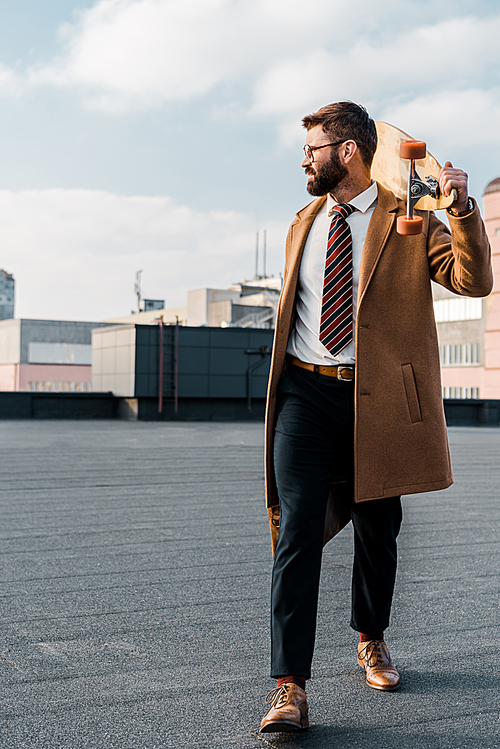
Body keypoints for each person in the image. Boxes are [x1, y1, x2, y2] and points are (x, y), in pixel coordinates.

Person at [259, 101, 493, 733]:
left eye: (314, 148)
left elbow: (473, 282)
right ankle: (288, 686)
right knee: (297, 532)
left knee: (378, 529)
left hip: (382, 397)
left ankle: (371, 636)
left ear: (349, 152)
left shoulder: (409, 217)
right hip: (305, 395)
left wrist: (463, 209)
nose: (304, 159)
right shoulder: (303, 221)